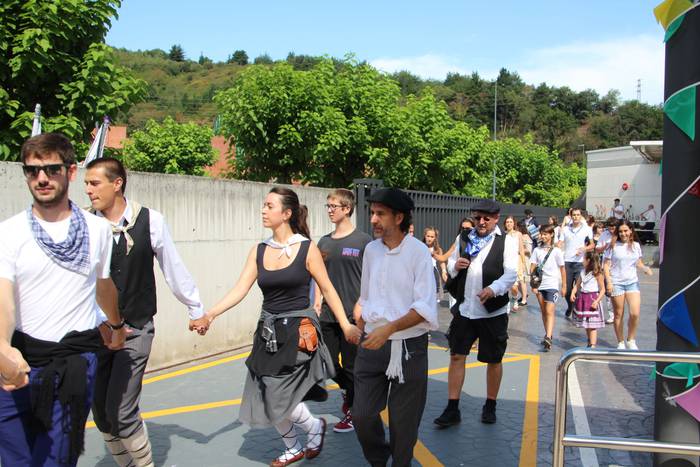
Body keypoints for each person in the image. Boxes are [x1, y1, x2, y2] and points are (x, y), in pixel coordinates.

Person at [195, 187, 361, 467]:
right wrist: (210, 315)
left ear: (286, 213)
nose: (263, 210)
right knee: (263, 390)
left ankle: (312, 427)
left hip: (298, 332)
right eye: (264, 205)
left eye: (269, 206)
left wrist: (345, 324)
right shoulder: (259, 250)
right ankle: (293, 445)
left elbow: (328, 289)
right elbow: (240, 289)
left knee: (276, 392)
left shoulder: (307, 248)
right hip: (268, 331)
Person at [0, 133, 125, 467]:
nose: (41, 178)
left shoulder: (98, 230)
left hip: (74, 361)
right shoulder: (9, 232)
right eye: (32, 171)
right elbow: (3, 298)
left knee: (56, 460)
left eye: (51, 169)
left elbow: (103, 284)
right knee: (15, 459)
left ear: (70, 172)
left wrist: (116, 326)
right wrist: (3, 348)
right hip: (19, 361)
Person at [84, 157, 205, 467]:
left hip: (136, 328)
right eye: (86, 183)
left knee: (122, 412)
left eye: (94, 183)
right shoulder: (83, 223)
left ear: (117, 184)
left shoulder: (151, 220)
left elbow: (173, 267)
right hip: (94, 333)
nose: (88, 190)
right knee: (102, 414)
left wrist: (196, 308)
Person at [352, 188, 438, 467]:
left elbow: (424, 307)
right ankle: (379, 460)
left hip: (409, 348)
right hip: (370, 343)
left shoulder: (419, 252)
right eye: (372, 213)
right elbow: (366, 295)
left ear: (399, 217)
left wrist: (388, 330)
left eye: (380, 214)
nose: (373, 219)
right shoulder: (371, 250)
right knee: (361, 415)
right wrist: (360, 320)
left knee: (404, 424)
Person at [434, 199, 518, 427]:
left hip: (492, 312)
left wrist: (493, 289)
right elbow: (450, 264)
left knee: (494, 359)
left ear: (496, 219)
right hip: (465, 309)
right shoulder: (464, 237)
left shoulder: (506, 242)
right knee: (456, 356)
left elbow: (511, 273)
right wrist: (455, 266)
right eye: (477, 217)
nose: (481, 222)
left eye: (486, 218)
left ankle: (490, 405)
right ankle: (452, 408)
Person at [312, 188, 371, 433]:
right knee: (326, 364)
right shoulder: (324, 242)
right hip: (327, 314)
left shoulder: (363, 241)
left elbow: (371, 277)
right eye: (327, 206)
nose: (329, 210)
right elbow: (319, 276)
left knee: (351, 366)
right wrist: (317, 301)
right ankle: (351, 393)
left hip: (352, 315)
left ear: (347, 209)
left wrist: (363, 306)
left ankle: (354, 410)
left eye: (333, 206)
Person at [603, 221, 653, 350]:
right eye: (620, 231)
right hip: (617, 283)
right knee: (618, 314)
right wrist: (609, 282)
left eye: (625, 231)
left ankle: (631, 339)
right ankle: (620, 342)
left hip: (632, 282)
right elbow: (606, 265)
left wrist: (645, 268)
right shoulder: (612, 246)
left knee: (634, 313)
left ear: (631, 230)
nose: (623, 234)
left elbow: (638, 263)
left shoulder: (636, 246)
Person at [529, 225, 566, 352]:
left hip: (552, 285)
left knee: (550, 310)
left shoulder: (556, 251)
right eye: (542, 234)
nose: (543, 236)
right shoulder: (537, 250)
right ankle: (547, 334)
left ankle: (548, 337)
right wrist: (533, 285)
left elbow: (562, 269)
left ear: (551, 235)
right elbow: (532, 267)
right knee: (544, 311)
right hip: (540, 284)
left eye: (545, 234)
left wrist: (564, 286)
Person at [557, 208, 593, 318]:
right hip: (567, 262)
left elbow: (592, 245)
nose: (576, 217)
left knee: (578, 289)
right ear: (570, 216)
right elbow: (560, 243)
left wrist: (584, 248)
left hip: (580, 263)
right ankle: (570, 306)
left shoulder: (587, 229)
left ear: (581, 216)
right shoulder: (565, 229)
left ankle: (577, 309)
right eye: (574, 215)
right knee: (567, 290)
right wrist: (555, 247)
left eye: (578, 215)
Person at [570, 252, 605, 347]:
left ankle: (592, 345)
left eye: (584, 259)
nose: (582, 260)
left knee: (592, 325)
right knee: (586, 324)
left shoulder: (597, 273)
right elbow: (577, 285)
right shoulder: (583, 272)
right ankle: (589, 341)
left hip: (592, 299)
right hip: (583, 298)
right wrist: (573, 292)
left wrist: (597, 301)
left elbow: (602, 290)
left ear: (588, 260)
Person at [596, 218, 620, 324]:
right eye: (609, 227)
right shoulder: (604, 235)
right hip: (607, 265)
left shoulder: (621, 233)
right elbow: (597, 249)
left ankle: (618, 312)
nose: (611, 229)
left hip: (619, 266)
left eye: (613, 227)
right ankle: (612, 315)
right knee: (608, 291)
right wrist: (605, 247)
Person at [503, 216, 527, 312]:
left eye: (510, 222)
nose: (509, 224)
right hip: (504, 262)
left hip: (515, 263)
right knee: (505, 286)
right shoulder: (503, 235)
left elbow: (521, 249)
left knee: (514, 287)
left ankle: (515, 298)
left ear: (514, 223)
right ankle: (507, 304)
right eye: (507, 222)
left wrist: (523, 263)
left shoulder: (518, 234)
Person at [423, 227, 448, 299]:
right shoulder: (420, 247)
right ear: (425, 236)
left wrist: (444, 271)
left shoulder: (438, 249)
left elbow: (441, 261)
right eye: (428, 236)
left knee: (434, 295)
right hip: (423, 273)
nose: (429, 239)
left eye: (432, 237)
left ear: (435, 238)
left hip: (434, 273)